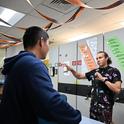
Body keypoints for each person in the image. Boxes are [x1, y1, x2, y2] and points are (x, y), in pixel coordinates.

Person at [0, 26, 81, 124]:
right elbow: (49, 102)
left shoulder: (19, 63)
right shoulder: (33, 64)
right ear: (41, 42)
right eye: (48, 43)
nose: (48, 48)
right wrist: (75, 116)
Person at [65, 51, 122, 124]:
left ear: (106, 58)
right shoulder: (95, 71)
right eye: (97, 58)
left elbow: (117, 89)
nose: (98, 60)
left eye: (100, 57)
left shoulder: (114, 71)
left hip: (105, 108)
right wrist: (71, 70)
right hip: (93, 107)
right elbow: (79, 76)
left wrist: (103, 79)